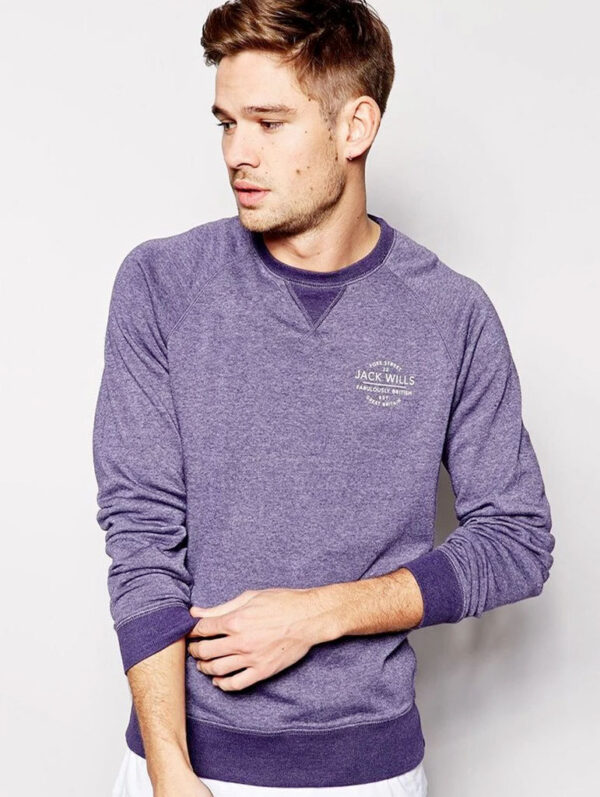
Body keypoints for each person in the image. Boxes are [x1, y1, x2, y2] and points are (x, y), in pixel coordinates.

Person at [92, 1, 555, 795]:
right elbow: (141, 533)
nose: (237, 153)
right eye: (226, 123)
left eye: (269, 123)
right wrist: (169, 764)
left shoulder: (450, 314)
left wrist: (321, 613)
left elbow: (517, 538)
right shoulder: (163, 284)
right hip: (181, 765)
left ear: (355, 127)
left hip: (368, 775)